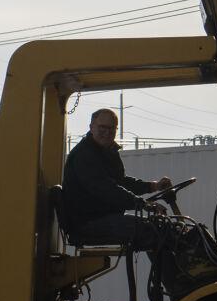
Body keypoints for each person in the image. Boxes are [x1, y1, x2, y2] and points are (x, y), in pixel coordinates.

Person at [59, 109, 176, 257]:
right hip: (87, 222)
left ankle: (174, 275)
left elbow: (121, 182)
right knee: (153, 230)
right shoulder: (84, 155)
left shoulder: (107, 151)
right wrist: (143, 204)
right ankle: (175, 277)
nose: (107, 132)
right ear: (91, 127)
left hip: (103, 217)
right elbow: (107, 189)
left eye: (111, 128)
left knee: (161, 227)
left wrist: (153, 186)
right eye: (103, 127)